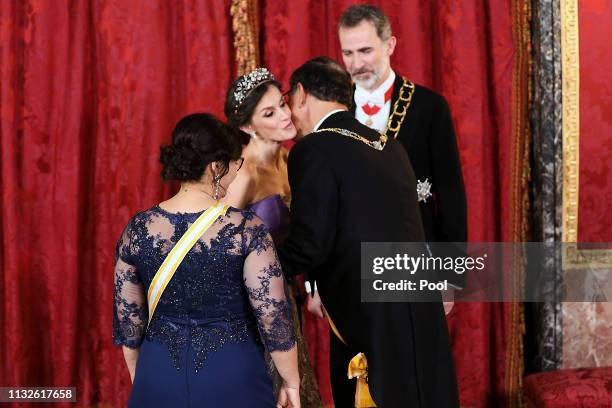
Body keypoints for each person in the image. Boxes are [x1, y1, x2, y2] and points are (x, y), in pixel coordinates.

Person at [277, 56, 459, 407]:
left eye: (288, 101)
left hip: (371, 318)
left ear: (300, 94)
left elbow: (310, 244)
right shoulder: (389, 146)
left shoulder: (313, 149)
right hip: (420, 307)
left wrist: (256, 268)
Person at [113, 113, 300, 408]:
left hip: (158, 371)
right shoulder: (246, 229)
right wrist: (291, 380)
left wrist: (145, 377)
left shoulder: (137, 228)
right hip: (233, 375)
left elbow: (129, 324)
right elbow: (272, 317)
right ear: (216, 166)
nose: (237, 172)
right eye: (236, 164)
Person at [338, 4, 467, 286]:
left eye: (365, 51)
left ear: (390, 45)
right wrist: (315, 281)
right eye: (348, 53)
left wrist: (450, 274)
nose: (356, 64)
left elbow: (451, 192)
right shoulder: (333, 106)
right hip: (347, 266)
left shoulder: (430, 107)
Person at [223, 68, 324, 408]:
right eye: (269, 113)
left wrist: (312, 287)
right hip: (250, 308)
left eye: (282, 104)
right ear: (247, 127)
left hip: (285, 296)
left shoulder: (290, 159)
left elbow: (306, 236)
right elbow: (217, 246)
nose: (284, 115)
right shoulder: (242, 173)